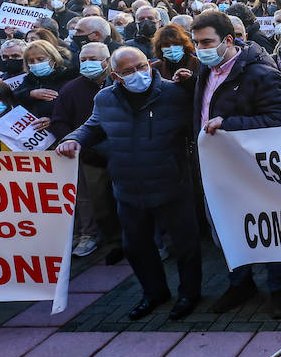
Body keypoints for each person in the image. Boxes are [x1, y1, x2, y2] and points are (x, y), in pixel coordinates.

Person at [57, 46, 201, 320]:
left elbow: (199, 116)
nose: (137, 74)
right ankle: (154, 292)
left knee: (185, 244)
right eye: (128, 72)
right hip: (128, 185)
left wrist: (192, 84)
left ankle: (189, 294)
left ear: (149, 63)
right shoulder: (105, 99)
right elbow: (93, 126)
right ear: (116, 76)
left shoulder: (174, 93)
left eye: (140, 67)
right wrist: (72, 139)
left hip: (172, 182)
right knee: (137, 247)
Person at [192, 11, 281, 316]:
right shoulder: (204, 71)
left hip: (255, 169)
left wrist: (229, 123)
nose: (201, 48)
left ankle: (279, 289)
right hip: (217, 168)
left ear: (228, 40)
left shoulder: (260, 73)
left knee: (267, 227)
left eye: (207, 41)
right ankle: (240, 282)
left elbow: (279, 119)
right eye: (196, 42)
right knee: (228, 227)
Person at [50, 41, 122, 259]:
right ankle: (100, 237)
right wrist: (76, 142)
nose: (87, 63)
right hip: (90, 156)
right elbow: (59, 121)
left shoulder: (119, 83)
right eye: (83, 60)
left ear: (107, 61)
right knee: (95, 199)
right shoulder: (71, 89)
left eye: (93, 59)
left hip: (123, 152)